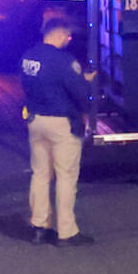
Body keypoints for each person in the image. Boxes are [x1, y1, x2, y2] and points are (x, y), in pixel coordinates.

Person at [21, 18, 95, 246]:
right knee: (66, 176)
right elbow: (80, 93)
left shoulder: (28, 57)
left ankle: (40, 227)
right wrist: (86, 82)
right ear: (60, 35)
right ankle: (67, 232)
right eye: (68, 36)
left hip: (35, 120)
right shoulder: (64, 61)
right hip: (62, 123)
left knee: (40, 174)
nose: (69, 40)